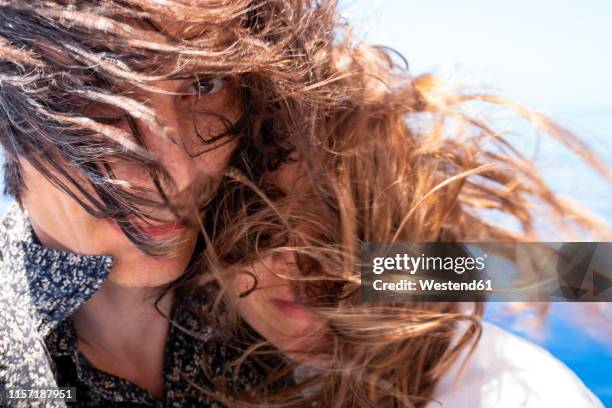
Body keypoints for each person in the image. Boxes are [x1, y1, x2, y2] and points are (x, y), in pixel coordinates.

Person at [0, 1, 314, 406]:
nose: (179, 173)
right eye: (99, 95)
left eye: (205, 84)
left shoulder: (262, 233)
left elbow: (407, 271)